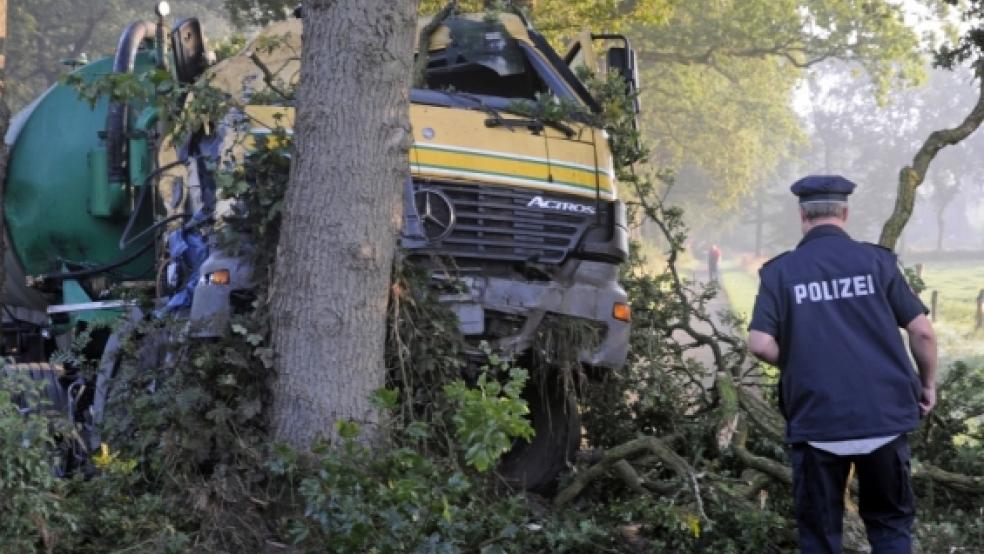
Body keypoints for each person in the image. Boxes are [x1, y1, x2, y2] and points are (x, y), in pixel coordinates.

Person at [746, 175, 937, 554]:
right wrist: (928, 384)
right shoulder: (877, 262)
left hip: (818, 421)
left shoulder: (781, 272)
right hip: (883, 417)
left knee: (820, 535)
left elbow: (760, 342)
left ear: (802, 214)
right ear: (845, 213)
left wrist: (799, 362)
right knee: (890, 527)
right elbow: (923, 332)